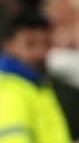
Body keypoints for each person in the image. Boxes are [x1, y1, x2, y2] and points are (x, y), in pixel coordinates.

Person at [0, 11, 72, 143]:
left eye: (46, 44)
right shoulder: (8, 92)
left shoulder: (38, 87)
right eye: (30, 44)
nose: (40, 53)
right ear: (8, 45)